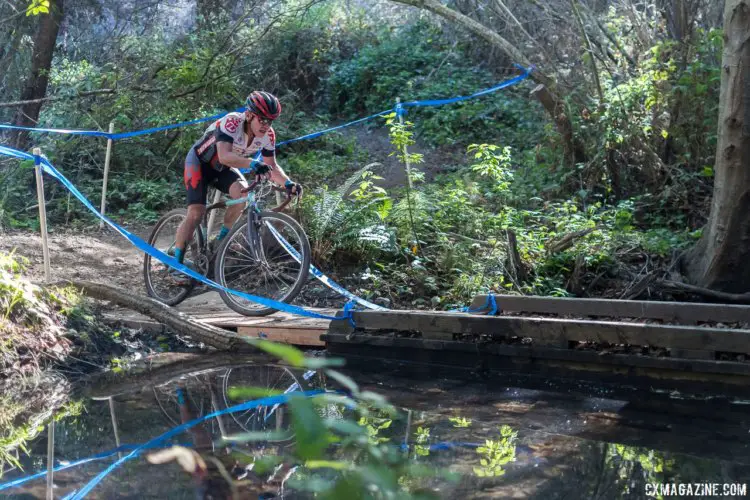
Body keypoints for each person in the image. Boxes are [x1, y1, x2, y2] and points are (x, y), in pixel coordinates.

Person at [170, 91, 301, 284]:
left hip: (222, 169)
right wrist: (252, 164)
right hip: (200, 163)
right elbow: (224, 155)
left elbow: (272, 166)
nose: (266, 125)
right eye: (263, 120)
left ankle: (222, 243)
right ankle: (175, 265)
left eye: (271, 121)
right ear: (249, 115)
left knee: (242, 193)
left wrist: (288, 183)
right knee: (196, 212)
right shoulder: (232, 122)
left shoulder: (268, 135)